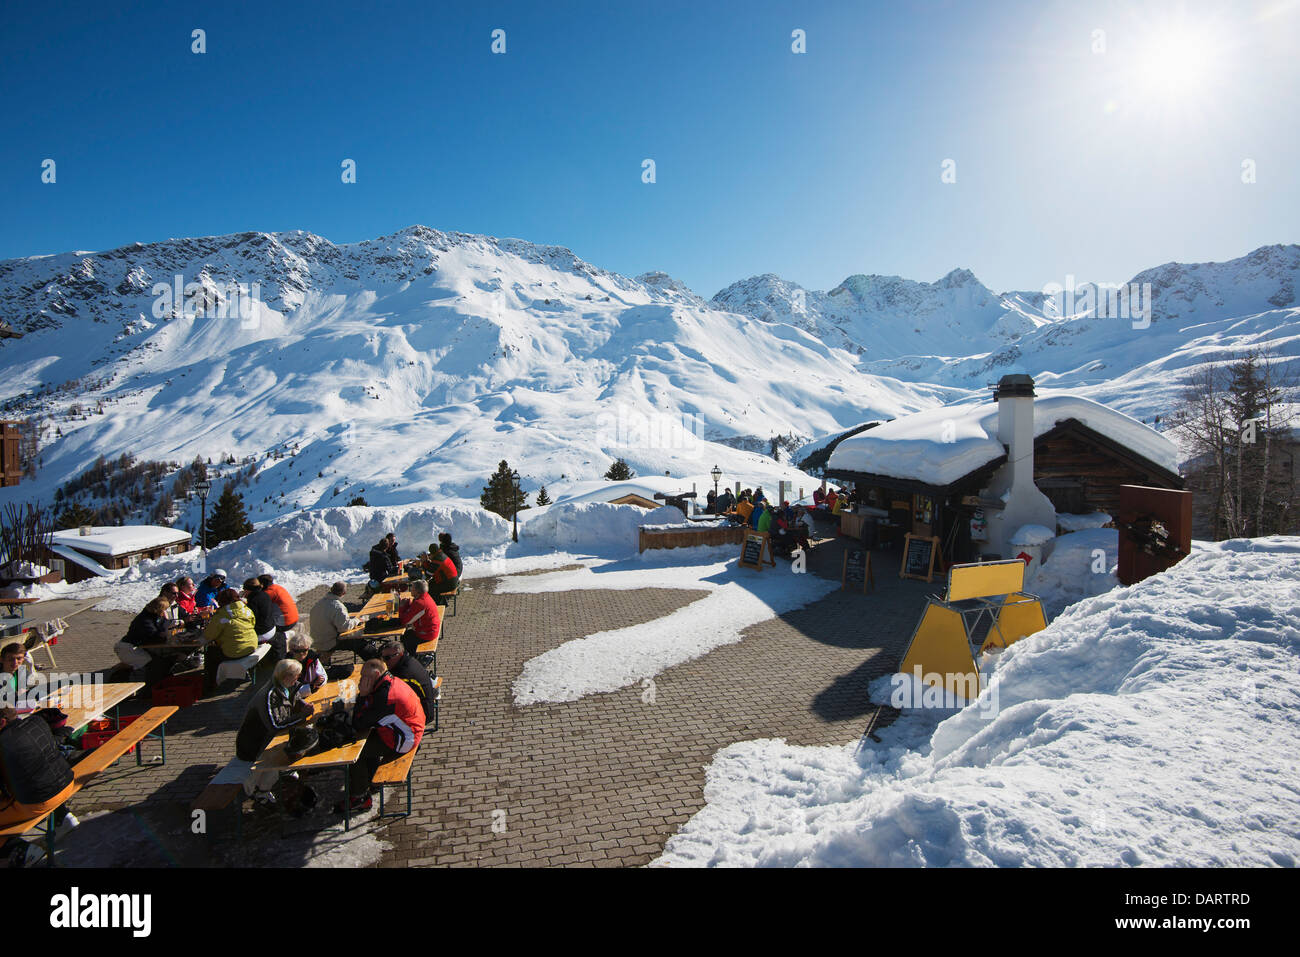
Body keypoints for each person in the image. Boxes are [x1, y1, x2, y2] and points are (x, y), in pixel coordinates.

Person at [337, 659, 423, 815]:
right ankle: (371, 777)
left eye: (364, 677)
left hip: (404, 740)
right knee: (364, 741)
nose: (361, 680)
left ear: (376, 674)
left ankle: (360, 797)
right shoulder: (389, 680)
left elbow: (359, 722)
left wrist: (362, 696)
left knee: (354, 752)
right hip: (410, 728)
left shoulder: (386, 697)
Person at [234, 658, 315, 804]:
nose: (298, 678)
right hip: (254, 744)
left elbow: (295, 698)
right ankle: (259, 790)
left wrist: (303, 705)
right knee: (280, 756)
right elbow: (276, 726)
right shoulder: (269, 695)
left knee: (291, 747)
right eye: (296, 675)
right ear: (285, 676)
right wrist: (303, 715)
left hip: (269, 739)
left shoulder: (286, 685)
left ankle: (265, 786)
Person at [203, 588, 259, 695]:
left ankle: (211, 684)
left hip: (234, 652)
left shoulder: (221, 615)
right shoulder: (246, 610)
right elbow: (253, 623)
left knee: (211, 652)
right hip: (251, 646)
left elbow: (209, 635)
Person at [114, 597, 173, 685]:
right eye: (164, 610)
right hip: (127, 648)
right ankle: (137, 684)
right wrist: (163, 633)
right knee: (149, 662)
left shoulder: (153, 616)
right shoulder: (145, 620)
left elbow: (164, 625)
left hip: (134, 646)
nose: (165, 612)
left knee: (156, 659)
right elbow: (154, 635)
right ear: (159, 610)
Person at [309, 583, 368, 657]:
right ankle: (374, 661)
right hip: (328, 643)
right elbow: (344, 628)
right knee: (359, 643)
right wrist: (357, 620)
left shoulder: (319, 603)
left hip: (316, 641)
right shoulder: (338, 606)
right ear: (344, 593)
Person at [379, 641, 435, 715]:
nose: (385, 661)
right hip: (422, 705)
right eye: (383, 658)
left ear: (400, 654)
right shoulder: (408, 659)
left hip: (422, 714)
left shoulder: (404, 674)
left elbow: (391, 695)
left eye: (387, 658)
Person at [259, 574, 299, 667]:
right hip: (293, 618)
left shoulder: (268, 593)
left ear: (261, 585)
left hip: (285, 622)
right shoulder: (277, 587)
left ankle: (279, 658)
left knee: (269, 632)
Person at [396, 579, 440, 656]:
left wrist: (402, 607)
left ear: (417, 591)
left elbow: (405, 622)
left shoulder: (420, 603)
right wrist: (408, 605)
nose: (410, 590)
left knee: (405, 639)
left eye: (412, 588)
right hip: (431, 629)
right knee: (406, 636)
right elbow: (413, 613)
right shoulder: (425, 597)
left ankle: (415, 659)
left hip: (427, 633)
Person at [242, 578, 278, 646]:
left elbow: (250, 619)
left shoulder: (253, 600)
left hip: (263, 633)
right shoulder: (264, 594)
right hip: (272, 627)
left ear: (248, 589)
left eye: (244, 589)